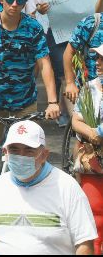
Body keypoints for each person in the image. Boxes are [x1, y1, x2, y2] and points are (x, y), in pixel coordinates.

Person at [0, 0, 60, 210]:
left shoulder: (33, 28)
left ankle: (29, 185)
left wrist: (52, 101)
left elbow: (45, 65)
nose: (14, 4)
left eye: (20, 0)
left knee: (26, 146)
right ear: (1, 0)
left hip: (24, 99)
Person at [0, 120, 97, 254]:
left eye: (29, 150)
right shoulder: (0, 184)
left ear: (44, 155)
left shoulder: (66, 187)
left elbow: (84, 245)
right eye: (14, 150)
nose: (21, 156)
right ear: (5, 152)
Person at [71, 44, 103, 253]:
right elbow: (76, 119)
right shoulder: (90, 87)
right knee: (95, 215)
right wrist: (91, 132)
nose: (98, 63)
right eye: (98, 58)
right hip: (92, 162)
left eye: (102, 59)